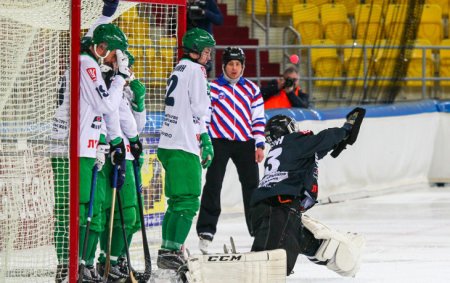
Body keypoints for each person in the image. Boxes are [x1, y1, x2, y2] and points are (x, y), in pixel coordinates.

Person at [250, 114, 365, 277]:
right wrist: (345, 130)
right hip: (283, 202)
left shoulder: (279, 150)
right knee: (279, 255)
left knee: (281, 239)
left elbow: (314, 152)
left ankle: (334, 253)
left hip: (260, 205)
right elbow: (323, 139)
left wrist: (336, 143)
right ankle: (336, 255)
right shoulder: (294, 141)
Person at [196, 47, 266, 254]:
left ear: (243, 66)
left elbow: (258, 118)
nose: (234, 68)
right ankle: (206, 231)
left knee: (252, 187)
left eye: (238, 64)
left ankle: (257, 229)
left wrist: (259, 144)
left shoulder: (252, 90)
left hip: (246, 143)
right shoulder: (213, 87)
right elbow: (205, 117)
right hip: (219, 142)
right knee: (213, 185)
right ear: (224, 66)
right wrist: (204, 141)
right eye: (230, 64)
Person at [156, 27, 216, 270]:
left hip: (169, 143)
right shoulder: (195, 70)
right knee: (188, 202)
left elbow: (192, 112)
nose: (209, 56)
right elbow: (201, 108)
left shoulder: (179, 67)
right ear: (195, 51)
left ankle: (168, 250)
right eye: (206, 51)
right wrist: (208, 94)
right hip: (183, 145)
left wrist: (205, 137)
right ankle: (171, 252)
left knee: (176, 202)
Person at [77, 21, 130, 282]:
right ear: (103, 48)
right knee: (83, 208)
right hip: (77, 147)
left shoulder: (90, 62)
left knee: (90, 208)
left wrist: (104, 140)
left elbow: (98, 110)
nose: (115, 60)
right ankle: (76, 264)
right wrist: (120, 78)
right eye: (114, 53)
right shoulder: (87, 63)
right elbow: (107, 105)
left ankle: (82, 264)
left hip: (88, 144)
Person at [95, 51, 147, 282]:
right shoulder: (108, 83)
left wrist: (140, 103)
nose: (130, 74)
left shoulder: (123, 90)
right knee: (119, 213)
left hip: (124, 153)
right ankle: (108, 260)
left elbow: (137, 124)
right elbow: (118, 119)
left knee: (130, 216)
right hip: (114, 153)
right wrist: (132, 142)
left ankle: (115, 258)